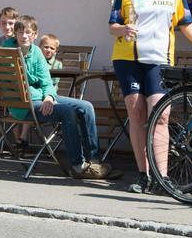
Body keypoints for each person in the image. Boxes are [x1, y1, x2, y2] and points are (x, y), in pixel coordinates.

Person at [109, 0, 192, 195]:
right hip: (128, 58)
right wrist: (122, 28)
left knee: (161, 114)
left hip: (160, 59)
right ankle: (143, 175)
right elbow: (112, 25)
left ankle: (162, 177)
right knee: (137, 113)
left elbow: (185, 23)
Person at [15, 14, 118, 180]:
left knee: (86, 106)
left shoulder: (37, 53)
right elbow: (24, 83)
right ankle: (78, 166)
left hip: (41, 98)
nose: (24, 36)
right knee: (67, 111)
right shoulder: (9, 52)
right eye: (20, 32)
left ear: (35, 35)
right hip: (26, 105)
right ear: (15, 34)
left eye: (28, 32)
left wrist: (49, 97)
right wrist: (44, 95)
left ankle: (93, 160)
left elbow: (47, 81)